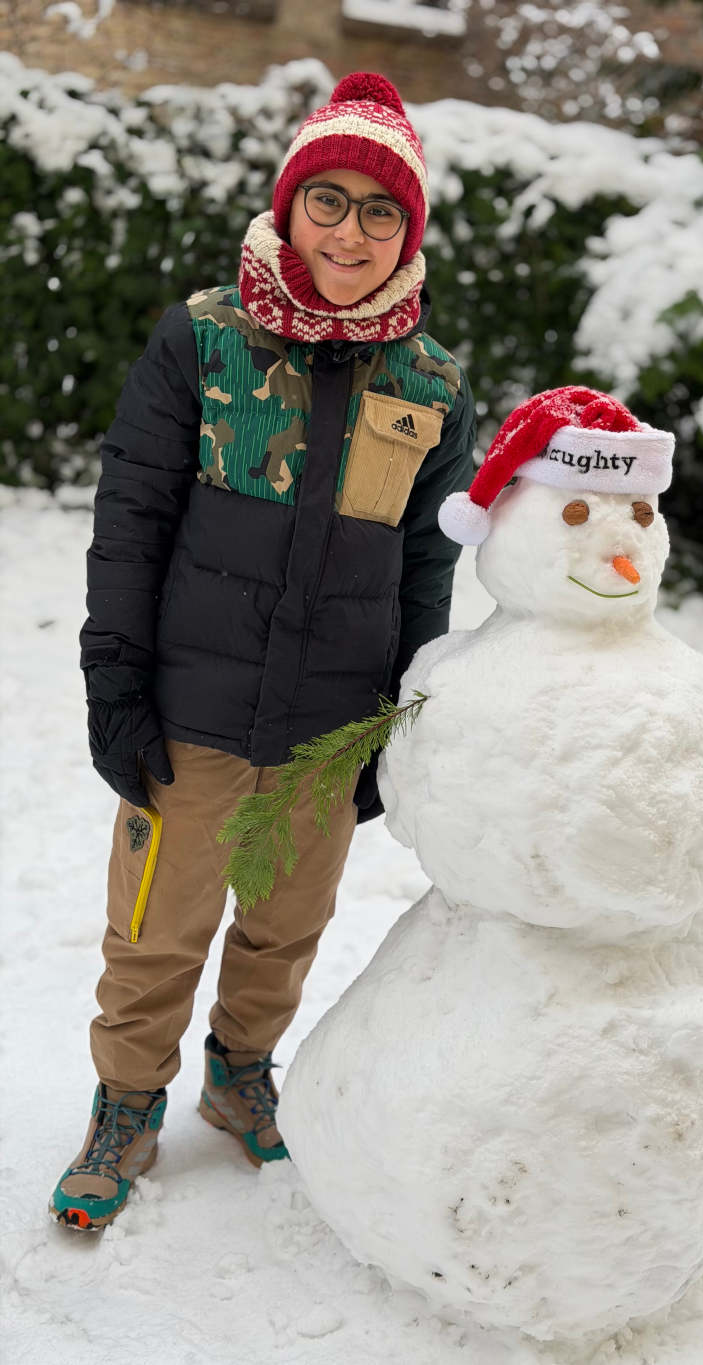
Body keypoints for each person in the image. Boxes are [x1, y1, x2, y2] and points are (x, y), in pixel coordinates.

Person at [50, 72, 477, 1230]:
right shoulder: (203, 340)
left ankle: (240, 1073)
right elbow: (132, 519)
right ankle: (126, 1101)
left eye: (380, 212)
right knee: (156, 931)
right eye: (327, 201)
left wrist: (397, 723)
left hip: (328, 725)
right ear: (289, 207)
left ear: (408, 234)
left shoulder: (431, 382)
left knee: (285, 927)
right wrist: (114, 681)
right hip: (190, 711)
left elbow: (425, 568)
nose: (350, 232)